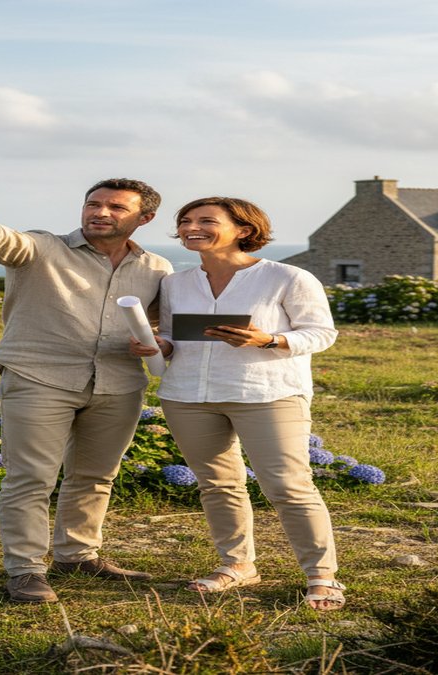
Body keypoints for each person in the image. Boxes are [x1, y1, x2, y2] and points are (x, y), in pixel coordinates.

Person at [0, 179, 173, 603]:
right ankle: (25, 570)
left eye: (115, 207)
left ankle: (77, 555)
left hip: (119, 381)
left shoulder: (156, 268)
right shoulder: (41, 247)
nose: (100, 212)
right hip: (39, 377)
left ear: (144, 218)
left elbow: (160, 327)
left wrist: (156, 341)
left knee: (96, 476)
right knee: (31, 478)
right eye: (93, 204)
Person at [129, 196, 345, 610]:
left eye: (207, 220)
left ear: (244, 230)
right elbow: (175, 335)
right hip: (188, 395)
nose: (193, 226)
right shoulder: (175, 282)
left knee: (289, 487)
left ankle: (322, 576)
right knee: (217, 485)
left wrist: (270, 339)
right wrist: (161, 344)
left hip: (267, 393)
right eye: (186, 220)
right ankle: (238, 564)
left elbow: (321, 333)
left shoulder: (288, 277)